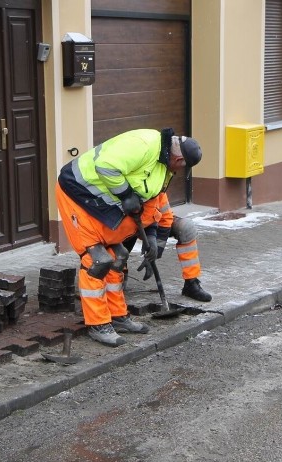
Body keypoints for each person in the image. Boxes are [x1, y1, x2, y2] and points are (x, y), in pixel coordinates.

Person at [55, 128, 202, 346]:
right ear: (179, 158)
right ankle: (97, 324)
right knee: (97, 260)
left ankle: (117, 316)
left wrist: (152, 236)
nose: (181, 171)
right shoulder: (143, 145)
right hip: (76, 193)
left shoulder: (164, 168)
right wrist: (125, 194)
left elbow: (153, 202)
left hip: (102, 205)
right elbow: (104, 166)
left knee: (119, 256)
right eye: (183, 166)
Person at [123, 191, 212, 302]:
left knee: (186, 229)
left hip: (151, 223)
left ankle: (191, 283)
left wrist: (154, 253)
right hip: (124, 224)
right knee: (118, 244)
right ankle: (120, 270)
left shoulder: (157, 186)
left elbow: (165, 219)